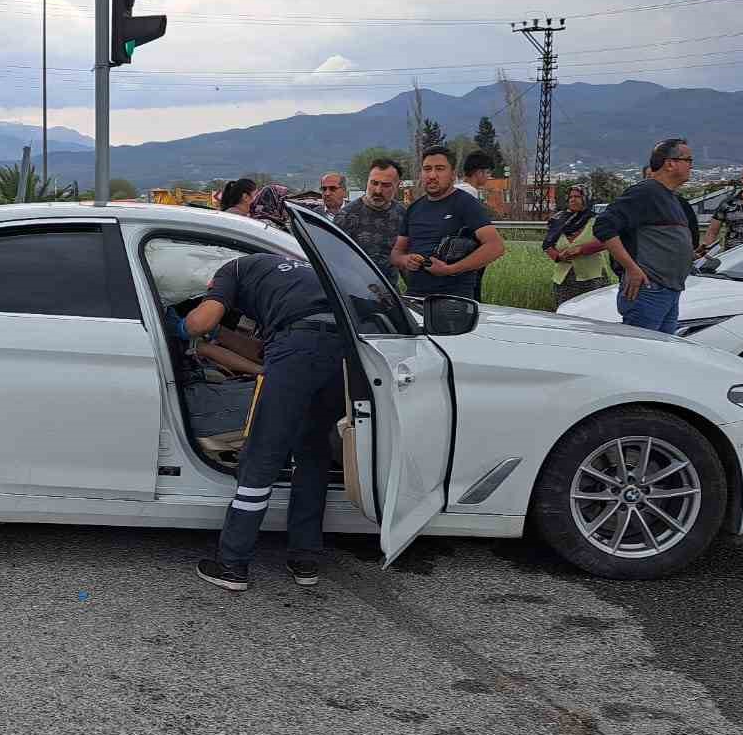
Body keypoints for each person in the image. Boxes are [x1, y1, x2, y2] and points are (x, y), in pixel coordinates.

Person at [176, 252, 346, 592]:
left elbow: (201, 323)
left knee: (262, 454)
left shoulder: (230, 270)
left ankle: (232, 564)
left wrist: (181, 327)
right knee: (312, 453)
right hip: (341, 348)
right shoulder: (292, 270)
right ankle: (305, 559)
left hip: (298, 346)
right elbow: (261, 351)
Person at [593, 138, 695, 334]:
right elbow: (604, 226)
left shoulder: (670, 196)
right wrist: (631, 268)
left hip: (669, 290)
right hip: (649, 291)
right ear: (670, 163)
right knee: (640, 355)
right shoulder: (645, 192)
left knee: (659, 355)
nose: (691, 165)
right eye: (688, 160)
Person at [390, 148, 504, 299]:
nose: (432, 175)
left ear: (452, 175)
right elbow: (396, 253)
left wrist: (451, 269)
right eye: (427, 169)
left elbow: (496, 247)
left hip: (454, 301)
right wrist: (405, 260)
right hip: (415, 297)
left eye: (440, 169)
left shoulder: (466, 204)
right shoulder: (414, 208)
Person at [334, 158, 405, 287]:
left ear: (398, 185)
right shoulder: (346, 217)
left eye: (385, 185)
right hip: (354, 294)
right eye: (374, 183)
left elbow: (405, 260)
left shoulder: (402, 214)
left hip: (391, 295)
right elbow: (334, 262)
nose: (378, 190)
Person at [543, 185, 610, 307]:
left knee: (592, 313)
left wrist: (581, 250)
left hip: (592, 278)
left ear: (586, 198)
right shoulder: (558, 220)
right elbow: (547, 245)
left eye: (578, 196)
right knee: (566, 314)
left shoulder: (597, 220)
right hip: (563, 279)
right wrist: (558, 257)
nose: (573, 200)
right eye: (570, 197)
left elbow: (607, 241)